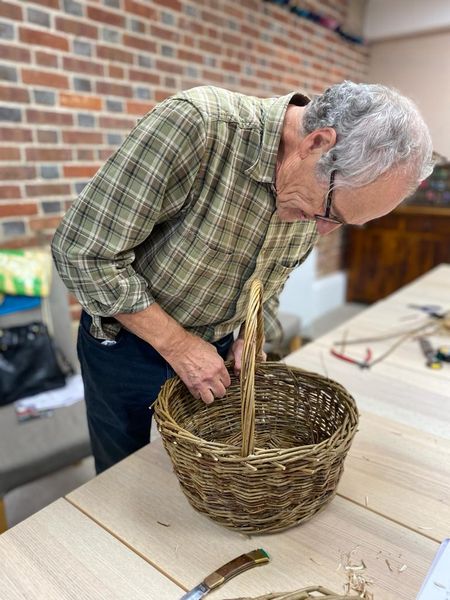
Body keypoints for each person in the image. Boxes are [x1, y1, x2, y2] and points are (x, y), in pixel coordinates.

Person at [52, 81, 433, 473]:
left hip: (214, 354)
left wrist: (253, 334)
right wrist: (179, 346)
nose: (321, 231)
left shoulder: (315, 188)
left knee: (207, 477)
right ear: (317, 142)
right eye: (328, 211)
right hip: (125, 345)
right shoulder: (198, 125)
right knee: (120, 476)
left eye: (343, 223)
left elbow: (268, 277)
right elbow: (82, 252)